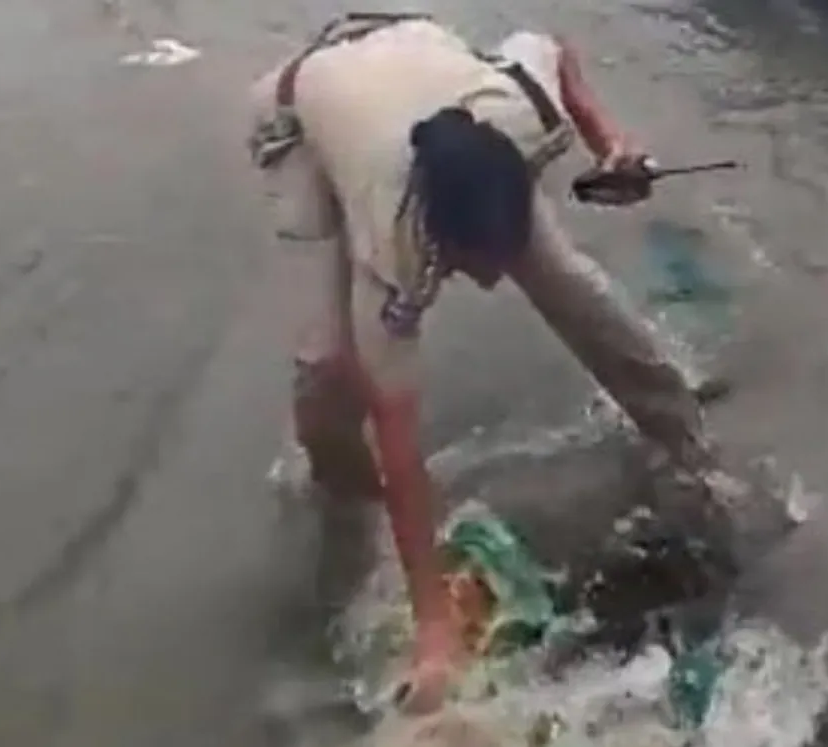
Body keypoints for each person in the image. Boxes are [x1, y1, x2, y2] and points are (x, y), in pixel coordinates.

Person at [248, 12, 732, 714]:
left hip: (418, 67)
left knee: (567, 281)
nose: (495, 278)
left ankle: (686, 436)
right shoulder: (395, 250)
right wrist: (435, 627)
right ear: (437, 238)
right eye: (479, 264)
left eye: (502, 254)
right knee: (328, 366)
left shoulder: (521, 115)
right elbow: (400, 436)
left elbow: (554, 49)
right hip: (300, 113)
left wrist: (611, 144)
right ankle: (343, 503)